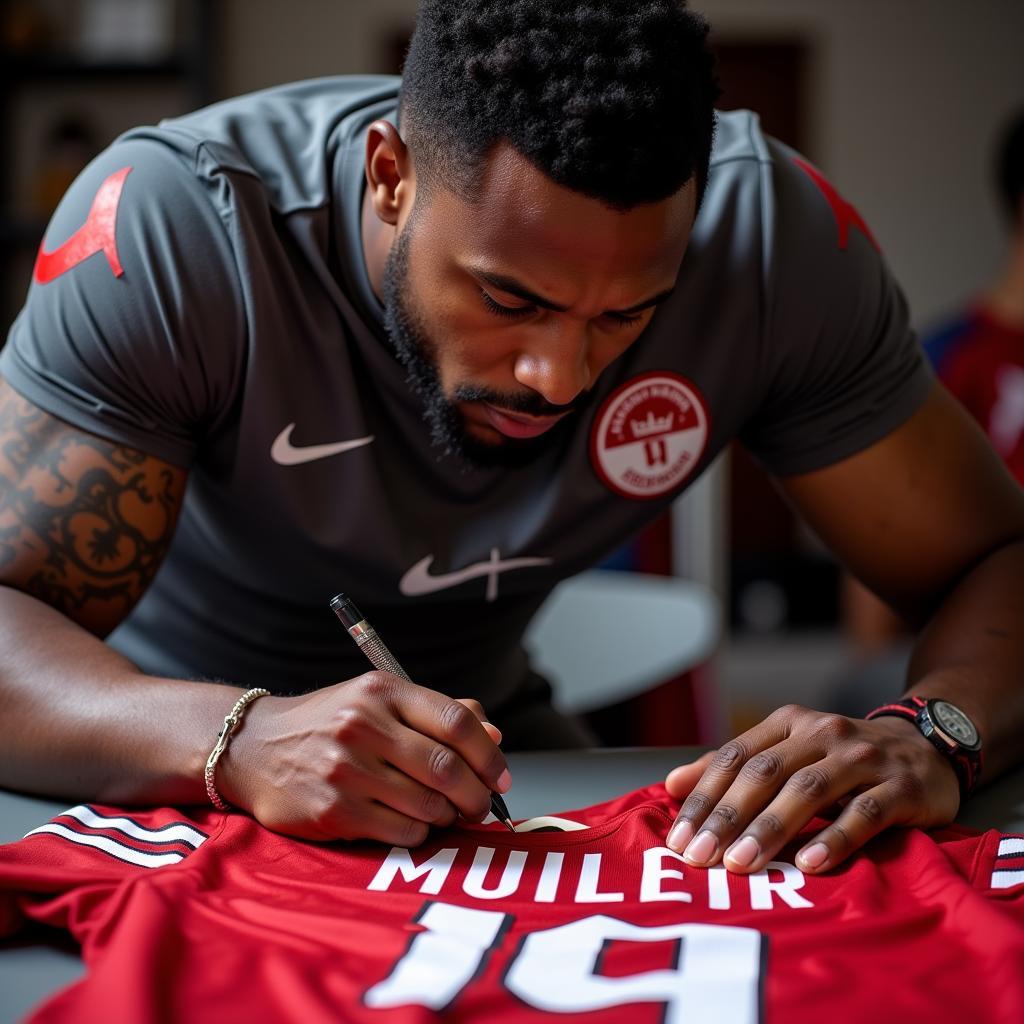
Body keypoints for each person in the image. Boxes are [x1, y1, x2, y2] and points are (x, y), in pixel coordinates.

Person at [1, 0, 1022, 881]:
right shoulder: (177, 228)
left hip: (479, 753)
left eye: (627, 314)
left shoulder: (769, 247)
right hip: (143, 748)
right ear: (389, 176)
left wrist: (931, 731)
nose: (558, 376)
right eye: (507, 295)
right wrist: (235, 737)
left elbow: (996, 560)